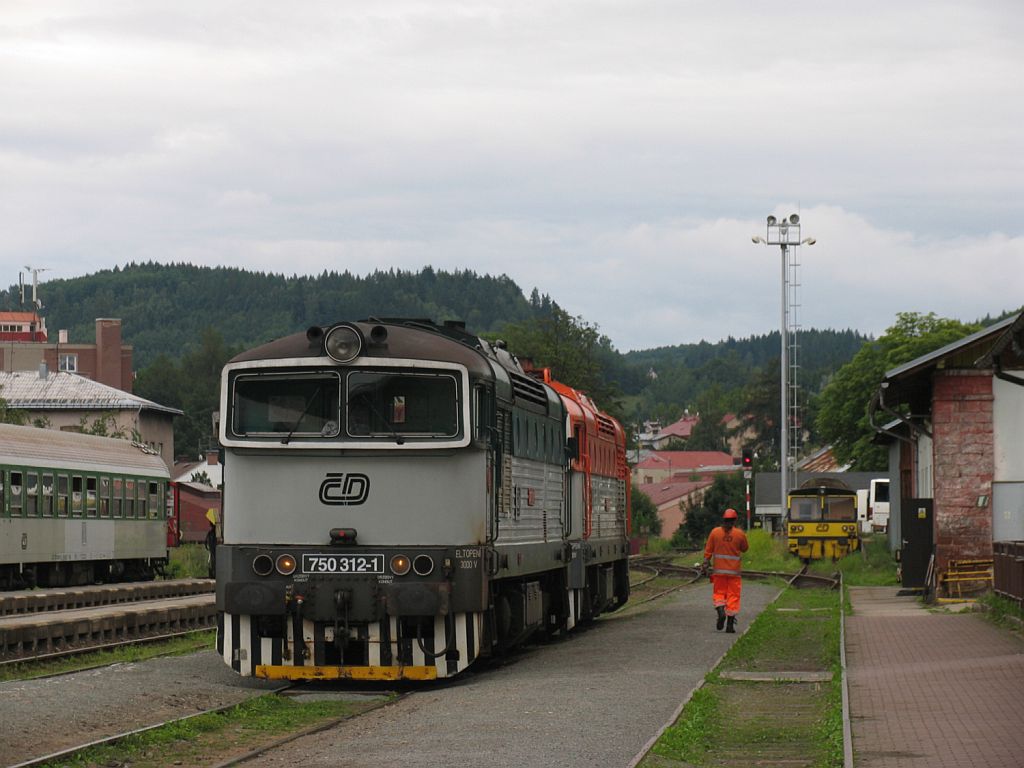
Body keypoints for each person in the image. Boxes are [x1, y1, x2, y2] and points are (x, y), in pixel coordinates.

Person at [703, 508, 749, 633]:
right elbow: (745, 548)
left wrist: (706, 563)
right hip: (734, 573)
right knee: (733, 597)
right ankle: (730, 625)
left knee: (719, 594)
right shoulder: (739, 534)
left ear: (723, 519)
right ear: (734, 520)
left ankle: (720, 611)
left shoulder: (715, 532)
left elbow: (708, 550)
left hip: (719, 572)